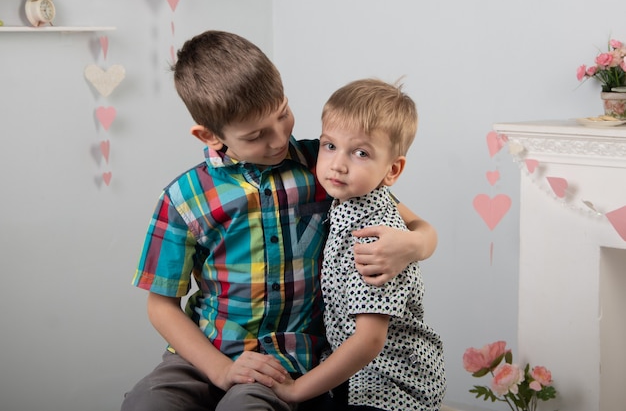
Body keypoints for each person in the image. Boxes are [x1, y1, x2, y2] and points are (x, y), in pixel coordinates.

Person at [120, 30, 438, 411]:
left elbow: (414, 224)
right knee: (145, 404)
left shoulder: (321, 168)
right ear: (210, 135)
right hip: (204, 352)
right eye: (255, 135)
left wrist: (415, 245)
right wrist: (221, 370)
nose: (277, 140)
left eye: (283, 113)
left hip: (286, 361)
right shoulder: (184, 198)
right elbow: (161, 305)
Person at [270, 78, 446, 411]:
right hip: (354, 370)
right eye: (329, 146)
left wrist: (296, 390)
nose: (337, 163)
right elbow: (424, 229)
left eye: (361, 153)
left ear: (392, 170)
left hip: (389, 385)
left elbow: (369, 341)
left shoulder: (374, 239)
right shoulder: (356, 201)